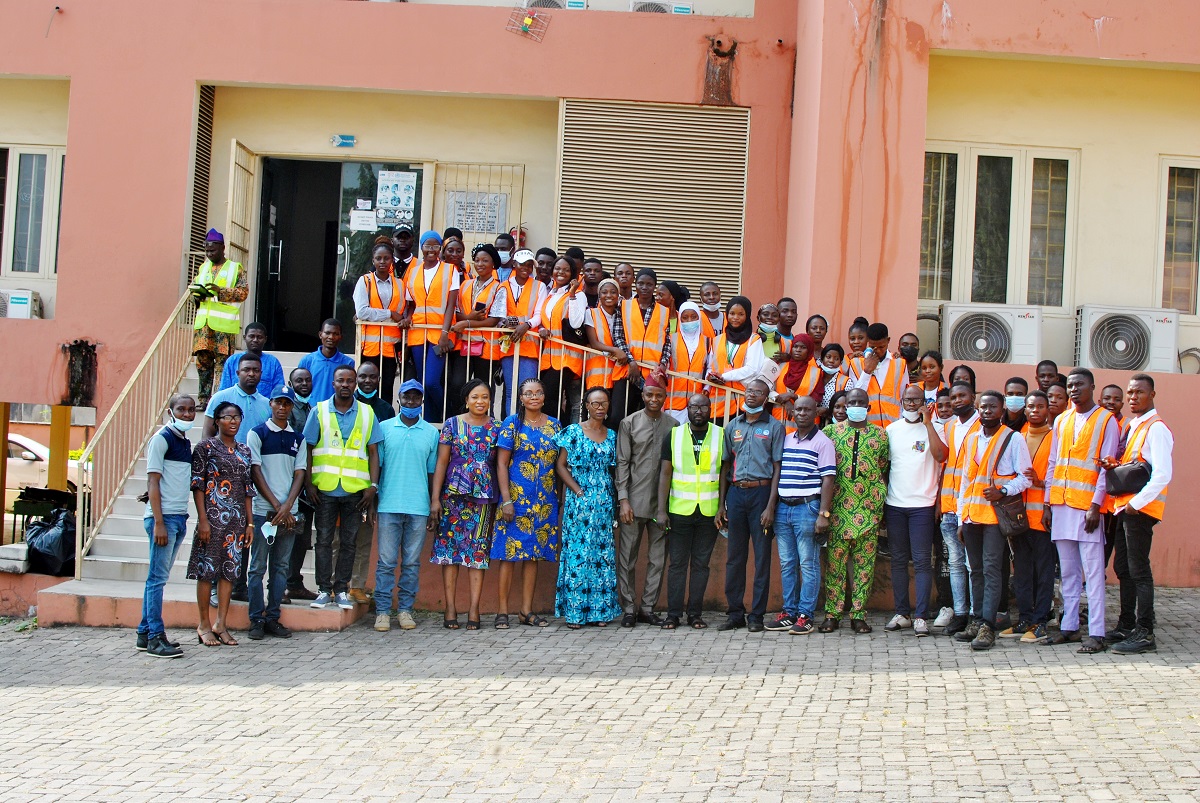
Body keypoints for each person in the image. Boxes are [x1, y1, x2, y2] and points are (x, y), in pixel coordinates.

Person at [1043, 368, 1119, 654]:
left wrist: (1096, 506)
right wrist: (1049, 503)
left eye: (1080, 385)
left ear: (1092, 387)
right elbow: (1053, 462)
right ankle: (1069, 627)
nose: (1074, 390)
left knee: (1094, 572)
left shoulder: (1106, 420)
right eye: (1071, 385)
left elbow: (1105, 466)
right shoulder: (1062, 419)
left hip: (1087, 508)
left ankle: (1097, 632)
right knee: (1069, 573)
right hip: (1062, 505)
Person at [954, 391, 1032, 651]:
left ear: (1002, 410)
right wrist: (960, 518)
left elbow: (1025, 477)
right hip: (973, 516)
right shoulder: (973, 439)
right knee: (975, 570)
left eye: (992, 407)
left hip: (996, 517)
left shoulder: (1013, 438)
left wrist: (1004, 491)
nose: (987, 411)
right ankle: (976, 620)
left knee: (991, 569)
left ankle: (988, 624)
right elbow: (966, 481)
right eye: (983, 406)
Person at [304, 364, 382, 611]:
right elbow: (307, 448)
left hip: (355, 492)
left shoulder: (368, 413)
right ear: (333, 384)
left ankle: (342, 589)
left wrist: (373, 486)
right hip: (324, 490)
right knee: (324, 541)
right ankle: (323, 590)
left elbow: (373, 453)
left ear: (355, 384)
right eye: (341, 380)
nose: (345, 384)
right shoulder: (319, 411)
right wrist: (308, 483)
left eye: (350, 381)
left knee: (349, 542)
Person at [1104, 374, 1172, 655]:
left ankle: (1145, 632)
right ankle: (1127, 624)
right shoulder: (1134, 425)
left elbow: (1162, 474)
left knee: (1139, 570)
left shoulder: (1156, 428)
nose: (1133, 397)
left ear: (1152, 395)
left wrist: (1137, 504)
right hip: (1125, 507)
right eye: (1130, 392)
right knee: (1123, 568)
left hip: (1139, 510)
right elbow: (1136, 465)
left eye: (1139, 393)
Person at [429, 379, 498, 630]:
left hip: (483, 501)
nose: (480, 402)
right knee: (450, 554)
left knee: (477, 552)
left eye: (485, 397)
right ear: (466, 399)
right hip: (452, 500)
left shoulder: (498, 428)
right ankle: (449, 607)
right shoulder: (451, 425)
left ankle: (474, 609)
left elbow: (501, 465)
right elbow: (441, 463)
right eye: (475, 397)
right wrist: (435, 499)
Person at [492, 378, 561, 629]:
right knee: (509, 555)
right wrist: (506, 499)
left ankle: (526, 610)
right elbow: (501, 463)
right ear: (520, 398)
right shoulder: (512, 424)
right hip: (516, 501)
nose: (534, 397)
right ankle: (502, 611)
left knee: (533, 556)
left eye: (539, 393)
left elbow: (558, 464)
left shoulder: (555, 426)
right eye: (529, 393)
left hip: (544, 501)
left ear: (544, 396)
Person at [716, 377, 784, 633]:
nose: (751, 395)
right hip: (736, 494)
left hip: (761, 494)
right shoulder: (733, 425)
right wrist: (722, 503)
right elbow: (725, 466)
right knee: (735, 557)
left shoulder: (775, 427)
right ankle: (735, 613)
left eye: (758, 392)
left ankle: (757, 615)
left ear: (766, 398)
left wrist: (770, 506)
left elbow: (777, 467)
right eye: (748, 391)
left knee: (762, 557)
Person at [819, 388, 889, 634]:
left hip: (869, 510)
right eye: (851, 402)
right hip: (837, 510)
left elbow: (882, 468)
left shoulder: (880, 435)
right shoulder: (830, 433)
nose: (856, 405)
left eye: (861, 402)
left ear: (868, 407)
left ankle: (858, 614)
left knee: (864, 566)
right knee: (835, 566)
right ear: (845, 406)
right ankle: (832, 614)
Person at [373, 379, 440, 633]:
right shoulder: (384, 428)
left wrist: (434, 504)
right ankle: (381, 612)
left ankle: (405, 610)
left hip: (418, 507)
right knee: (386, 562)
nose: (411, 402)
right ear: (399, 399)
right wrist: (374, 500)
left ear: (422, 400)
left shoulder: (432, 433)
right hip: (389, 504)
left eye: (416, 398)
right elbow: (376, 467)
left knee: (411, 563)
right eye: (407, 397)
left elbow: (433, 472)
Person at [764, 396, 834, 636]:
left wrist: (823, 514)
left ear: (816, 412)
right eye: (799, 409)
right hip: (784, 508)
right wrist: (773, 507)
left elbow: (828, 479)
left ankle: (806, 615)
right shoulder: (787, 439)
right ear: (792, 413)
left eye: (807, 409)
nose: (802, 413)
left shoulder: (823, 442)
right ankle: (789, 612)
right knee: (787, 563)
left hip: (808, 508)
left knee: (808, 563)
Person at [187, 401, 255, 647]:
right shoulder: (205, 447)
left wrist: (250, 524)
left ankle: (221, 623)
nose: (233, 421)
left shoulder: (244, 451)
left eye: (237, 417)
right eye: (228, 417)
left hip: (236, 522)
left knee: (229, 572)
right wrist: (203, 519)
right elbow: (198, 484)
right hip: (212, 519)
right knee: (207, 572)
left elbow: (248, 488)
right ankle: (203, 624)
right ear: (217, 421)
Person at [554, 386, 621, 629]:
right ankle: (575, 612)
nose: (600, 407)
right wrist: (578, 490)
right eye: (595, 403)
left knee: (601, 556)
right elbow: (560, 465)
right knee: (578, 555)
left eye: (604, 403)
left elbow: (614, 470)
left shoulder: (612, 435)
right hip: (578, 501)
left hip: (603, 500)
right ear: (586, 405)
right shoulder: (573, 431)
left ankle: (599, 612)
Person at [883, 385, 948, 637]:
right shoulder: (891, 430)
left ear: (924, 402)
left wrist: (928, 422)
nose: (911, 404)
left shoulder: (936, 428)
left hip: (923, 505)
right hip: (895, 504)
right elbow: (885, 466)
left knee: (922, 561)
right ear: (901, 401)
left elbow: (941, 455)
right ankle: (902, 613)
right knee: (898, 560)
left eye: (917, 400)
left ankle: (921, 616)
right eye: (907, 400)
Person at [615, 371, 679, 627]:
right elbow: (622, 462)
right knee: (627, 557)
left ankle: (648, 607)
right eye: (649, 394)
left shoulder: (673, 426)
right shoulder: (629, 423)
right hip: (634, 500)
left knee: (657, 558)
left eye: (659, 395)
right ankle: (629, 609)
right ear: (642, 395)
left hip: (662, 504)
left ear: (665, 397)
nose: (654, 399)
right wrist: (623, 499)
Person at [136, 394, 196, 659]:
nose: (186, 414)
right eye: (181, 410)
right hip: (164, 520)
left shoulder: (185, 441)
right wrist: (159, 522)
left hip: (179, 517)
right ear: (170, 412)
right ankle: (155, 638)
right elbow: (153, 481)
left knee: (158, 578)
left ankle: (143, 632)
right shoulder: (161, 439)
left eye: (190, 410)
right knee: (157, 579)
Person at [657, 393, 723, 630]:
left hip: (708, 510)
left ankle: (695, 614)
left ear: (709, 409)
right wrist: (661, 509)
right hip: (679, 510)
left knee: (701, 564)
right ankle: (673, 615)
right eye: (694, 406)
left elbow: (724, 473)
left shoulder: (720, 435)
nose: (698, 411)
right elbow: (665, 473)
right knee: (677, 564)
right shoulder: (674, 435)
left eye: (703, 407)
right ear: (687, 409)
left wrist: (722, 507)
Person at [246, 386, 307, 641]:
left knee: (281, 567)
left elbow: (300, 473)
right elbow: (255, 471)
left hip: (288, 514)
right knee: (258, 567)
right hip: (262, 513)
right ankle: (256, 620)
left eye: (287, 403)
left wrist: (287, 506)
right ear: (270, 404)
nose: (282, 407)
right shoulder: (257, 433)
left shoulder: (298, 438)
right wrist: (275, 505)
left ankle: (273, 618)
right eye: (278, 402)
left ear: (292, 406)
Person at [1005, 389, 1056, 644]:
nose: (1034, 410)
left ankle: (1041, 621)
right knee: (1022, 570)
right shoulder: (1018, 437)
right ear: (1024, 410)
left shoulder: (1055, 437)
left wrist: (1042, 483)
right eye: (1030, 406)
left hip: (1042, 518)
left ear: (1048, 410)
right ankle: (1024, 618)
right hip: (1019, 517)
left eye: (1040, 406)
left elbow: (1060, 476)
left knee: (1043, 571)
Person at [344, 362, 396, 605]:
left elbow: (382, 452)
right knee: (337, 538)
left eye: (371, 377)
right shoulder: (344, 405)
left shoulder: (385, 409)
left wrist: (375, 487)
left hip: (370, 484)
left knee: (364, 538)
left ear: (378, 380)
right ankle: (336, 585)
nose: (366, 381)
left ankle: (357, 585)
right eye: (362, 377)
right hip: (342, 482)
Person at [399, 230, 459, 423]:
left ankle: (448, 416)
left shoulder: (450, 270)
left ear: (440, 248)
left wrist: (445, 332)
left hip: (439, 333)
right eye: (427, 246)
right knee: (423, 382)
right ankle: (432, 422)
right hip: (417, 332)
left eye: (435, 246)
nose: (431, 250)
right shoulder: (414, 271)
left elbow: (451, 304)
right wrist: (408, 318)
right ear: (422, 248)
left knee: (432, 381)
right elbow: (410, 304)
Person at [937, 381, 979, 636]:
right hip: (949, 506)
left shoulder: (981, 425)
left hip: (972, 508)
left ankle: (976, 614)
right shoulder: (949, 426)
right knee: (954, 563)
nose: (957, 401)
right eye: (954, 397)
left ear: (973, 397)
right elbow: (945, 465)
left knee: (973, 564)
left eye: (963, 395)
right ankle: (960, 613)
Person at [191, 228, 247, 408]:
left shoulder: (234, 268)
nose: (209, 254)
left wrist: (220, 291)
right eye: (207, 250)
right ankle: (203, 399)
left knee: (222, 366)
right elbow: (196, 290)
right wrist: (197, 296)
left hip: (224, 326)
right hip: (204, 325)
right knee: (203, 364)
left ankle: (217, 400)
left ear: (222, 248)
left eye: (212, 250)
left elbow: (243, 292)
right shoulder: (203, 267)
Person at [491, 249, 547, 420]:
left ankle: (526, 426)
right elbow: (499, 314)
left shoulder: (539, 286)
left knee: (528, 390)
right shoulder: (503, 286)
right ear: (514, 264)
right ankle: (511, 426)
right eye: (522, 264)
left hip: (530, 343)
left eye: (529, 265)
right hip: (509, 344)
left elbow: (539, 313)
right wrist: (505, 323)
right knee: (511, 391)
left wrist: (526, 325)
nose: (526, 268)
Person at [448, 243, 503, 419]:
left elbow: (494, 320)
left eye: (485, 260)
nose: (480, 264)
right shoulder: (465, 284)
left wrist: (467, 323)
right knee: (457, 384)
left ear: (493, 263)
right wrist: (468, 318)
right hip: (464, 344)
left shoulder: (499, 287)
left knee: (484, 389)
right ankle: (459, 421)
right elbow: (457, 312)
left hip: (486, 347)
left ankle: (486, 425)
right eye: (477, 260)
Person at [537, 256, 587, 425]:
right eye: (558, 268)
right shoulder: (551, 294)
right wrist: (541, 329)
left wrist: (572, 293)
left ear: (573, 273)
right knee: (550, 400)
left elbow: (576, 322)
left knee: (549, 396)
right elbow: (546, 320)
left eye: (566, 270)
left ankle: (558, 435)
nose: (561, 272)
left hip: (568, 358)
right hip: (549, 358)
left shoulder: (578, 295)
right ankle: (557, 434)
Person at [354, 237, 405, 403]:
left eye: (386, 258)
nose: (382, 262)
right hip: (370, 347)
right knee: (367, 389)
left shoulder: (400, 284)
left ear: (392, 260)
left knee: (387, 388)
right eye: (378, 258)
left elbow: (405, 309)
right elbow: (362, 312)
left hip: (391, 347)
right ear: (373, 260)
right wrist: (389, 314)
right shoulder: (365, 281)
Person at [284, 367, 318, 602]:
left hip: (307, 483)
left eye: (307, 380)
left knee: (302, 537)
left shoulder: (312, 409)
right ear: (291, 382)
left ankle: (294, 582)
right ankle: (281, 584)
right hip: (289, 481)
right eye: (299, 380)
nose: (304, 384)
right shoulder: (287, 408)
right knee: (287, 535)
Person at [617, 268, 671, 411]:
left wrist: (662, 365)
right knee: (619, 415)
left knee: (645, 416)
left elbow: (667, 343)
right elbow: (618, 336)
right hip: (626, 371)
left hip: (651, 374)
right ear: (635, 284)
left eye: (649, 284)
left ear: (655, 286)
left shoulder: (664, 312)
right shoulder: (623, 306)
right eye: (641, 283)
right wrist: (631, 361)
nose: (645, 287)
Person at [707, 296, 764, 423]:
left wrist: (724, 376)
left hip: (742, 402)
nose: (735, 318)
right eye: (732, 313)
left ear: (747, 315)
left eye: (741, 314)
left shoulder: (754, 339)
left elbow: (753, 368)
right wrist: (710, 376)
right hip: (718, 402)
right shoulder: (717, 339)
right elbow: (711, 366)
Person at [584, 278, 631, 426]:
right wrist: (615, 350)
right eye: (604, 292)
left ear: (619, 295)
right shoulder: (591, 313)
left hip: (617, 371)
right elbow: (594, 343)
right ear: (599, 295)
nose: (608, 295)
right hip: (597, 371)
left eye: (613, 292)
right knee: (595, 413)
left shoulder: (623, 315)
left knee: (614, 415)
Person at [847, 322, 908, 427]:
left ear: (888, 341)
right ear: (868, 342)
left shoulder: (900, 363)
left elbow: (904, 397)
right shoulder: (856, 363)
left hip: (893, 425)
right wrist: (866, 371)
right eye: (873, 347)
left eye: (882, 346)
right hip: (867, 427)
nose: (878, 351)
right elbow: (855, 395)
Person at [203, 353, 271, 445]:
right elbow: (207, 435)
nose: (251, 374)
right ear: (238, 373)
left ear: (261, 373)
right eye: (246, 370)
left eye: (256, 370)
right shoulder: (219, 398)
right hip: (225, 457)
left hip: (256, 458)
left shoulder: (267, 404)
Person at [665, 302, 711, 425]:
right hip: (672, 402)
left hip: (696, 402)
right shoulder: (671, 339)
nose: (689, 320)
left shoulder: (707, 341)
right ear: (680, 319)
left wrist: (707, 388)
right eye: (685, 318)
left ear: (699, 318)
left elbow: (710, 367)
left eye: (693, 317)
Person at [218, 322, 284, 397]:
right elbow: (224, 390)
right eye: (251, 336)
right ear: (244, 337)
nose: (255, 340)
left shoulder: (273, 363)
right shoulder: (232, 361)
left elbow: (279, 392)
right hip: (236, 406)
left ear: (265, 339)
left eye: (259, 337)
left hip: (264, 407)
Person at [297, 319, 356, 404]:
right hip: (310, 412)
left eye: (335, 334)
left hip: (336, 412)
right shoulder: (307, 361)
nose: (331, 337)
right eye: (327, 333)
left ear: (341, 337)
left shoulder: (348, 363)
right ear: (320, 335)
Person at [771, 333, 821, 429]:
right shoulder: (780, 366)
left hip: (805, 427)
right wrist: (785, 402)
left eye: (803, 347)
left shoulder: (816, 372)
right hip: (778, 422)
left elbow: (816, 401)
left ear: (809, 351)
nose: (798, 350)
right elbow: (769, 390)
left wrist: (793, 396)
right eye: (795, 346)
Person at [815, 344, 848, 423]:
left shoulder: (846, 381)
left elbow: (847, 407)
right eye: (828, 357)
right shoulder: (814, 376)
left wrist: (827, 411)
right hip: (814, 422)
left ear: (841, 362)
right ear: (822, 359)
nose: (831, 361)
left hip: (835, 423)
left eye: (836, 358)